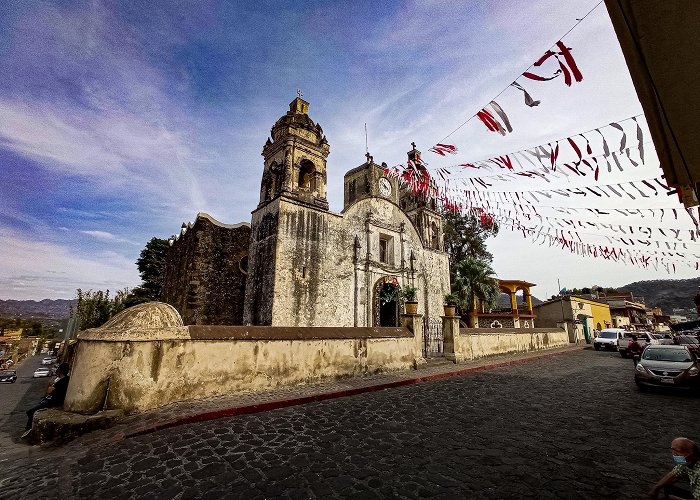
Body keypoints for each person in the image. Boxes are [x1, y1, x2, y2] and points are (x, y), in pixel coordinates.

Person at [21, 362, 70, 438]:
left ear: (60, 371)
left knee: (30, 412)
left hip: (53, 402)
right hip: (54, 400)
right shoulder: (67, 379)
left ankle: (30, 429)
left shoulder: (61, 381)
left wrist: (51, 383)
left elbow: (49, 391)